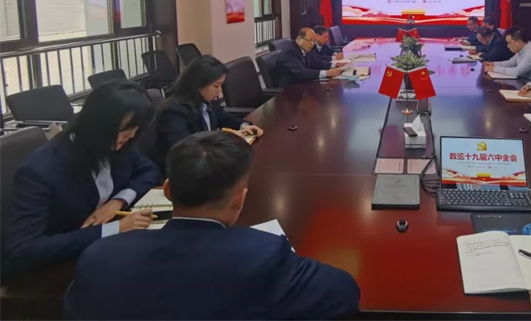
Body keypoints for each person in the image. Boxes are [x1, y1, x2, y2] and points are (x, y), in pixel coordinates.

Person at [64, 131, 361, 320]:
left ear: (167, 190)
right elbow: (344, 291)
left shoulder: (100, 256)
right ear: (239, 199)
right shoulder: (264, 254)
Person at [1, 82, 160, 281]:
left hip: (102, 252)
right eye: (126, 129)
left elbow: (149, 170)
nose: (131, 135)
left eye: (136, 128)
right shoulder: (41, 170)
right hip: (54, 272)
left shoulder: (116, 145)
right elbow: (22, 250)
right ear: (98, 123)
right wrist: (114, 229)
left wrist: (118, 201)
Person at [155, 56, 263, 172]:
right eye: (216, 86)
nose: (220, 90)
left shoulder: (205, 99)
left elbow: (222, 116)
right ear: (198, 84)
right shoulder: (173, 112)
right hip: (185, 170)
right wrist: (227, 139)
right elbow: (184, 147)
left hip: (206, 162)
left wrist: (243, 126)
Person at [275, 27, 344, 85]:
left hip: (302, 84)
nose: (312, 44)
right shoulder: (290, 51)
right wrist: (327, 73)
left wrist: (334, 65)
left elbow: (314, 62)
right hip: (289, 89)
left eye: (314, 41)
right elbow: (301, 72)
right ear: (299, 39)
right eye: (310, 40)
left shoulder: (304, 48)